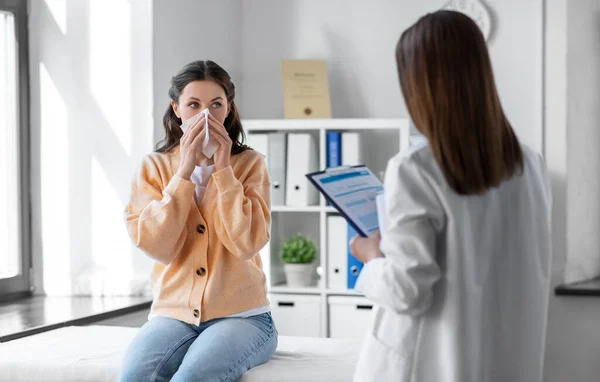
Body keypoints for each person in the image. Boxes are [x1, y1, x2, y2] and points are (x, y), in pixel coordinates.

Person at [349, 11, 552, 382]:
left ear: (419, 86)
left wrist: (371, 257)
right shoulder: (531, 165)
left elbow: (407, 291)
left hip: (430, 364)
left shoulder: (415, 168)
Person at [119, 60, 277, 382]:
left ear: (228, 109)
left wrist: (223, 172)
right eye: (194, 104)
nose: (205, 115)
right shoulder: (154, 167)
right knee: (134, 375)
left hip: (243, 317)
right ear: (176, 108)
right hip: (173, 315)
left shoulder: (250, 165)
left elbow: (247, 243)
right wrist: (183, 172)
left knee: (191, 378)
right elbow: (156, 244)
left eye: (215, 105)